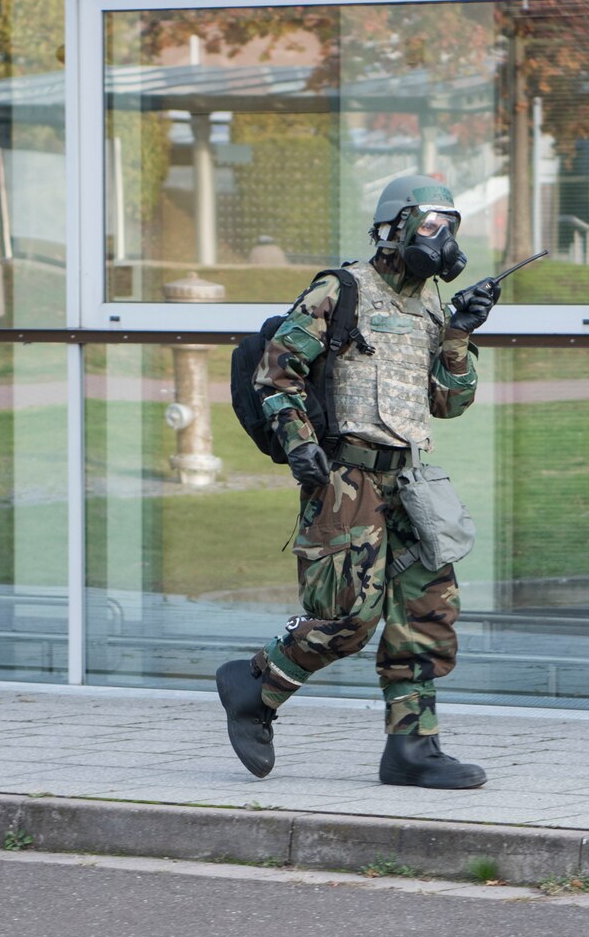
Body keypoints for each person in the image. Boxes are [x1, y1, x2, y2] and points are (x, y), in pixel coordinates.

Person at [214, 176, 501, 789]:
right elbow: (278, 371)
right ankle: (256, 684)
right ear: (394, 226)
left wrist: (459, 336)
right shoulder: (340, 290)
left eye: (450, 224)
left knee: (426, 611)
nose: (443, 237)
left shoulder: (431, 307)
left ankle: (412, 750)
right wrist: (300, 447)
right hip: (345, 480)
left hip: (413, 481)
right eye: (429, 224)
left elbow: (449, 405)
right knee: (347, 615)